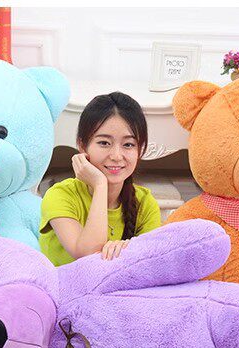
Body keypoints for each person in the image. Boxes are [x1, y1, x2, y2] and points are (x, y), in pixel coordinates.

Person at [39, 92, 162, 266]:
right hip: (62, 283)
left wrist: (125, 249)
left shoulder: (145, 203)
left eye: (128, 144)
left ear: (140, 149)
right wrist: (100, 184)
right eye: (104, 143)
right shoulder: (59, 195)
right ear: (82, 146)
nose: (116, 156)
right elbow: (89, 257)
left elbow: (152, 264)